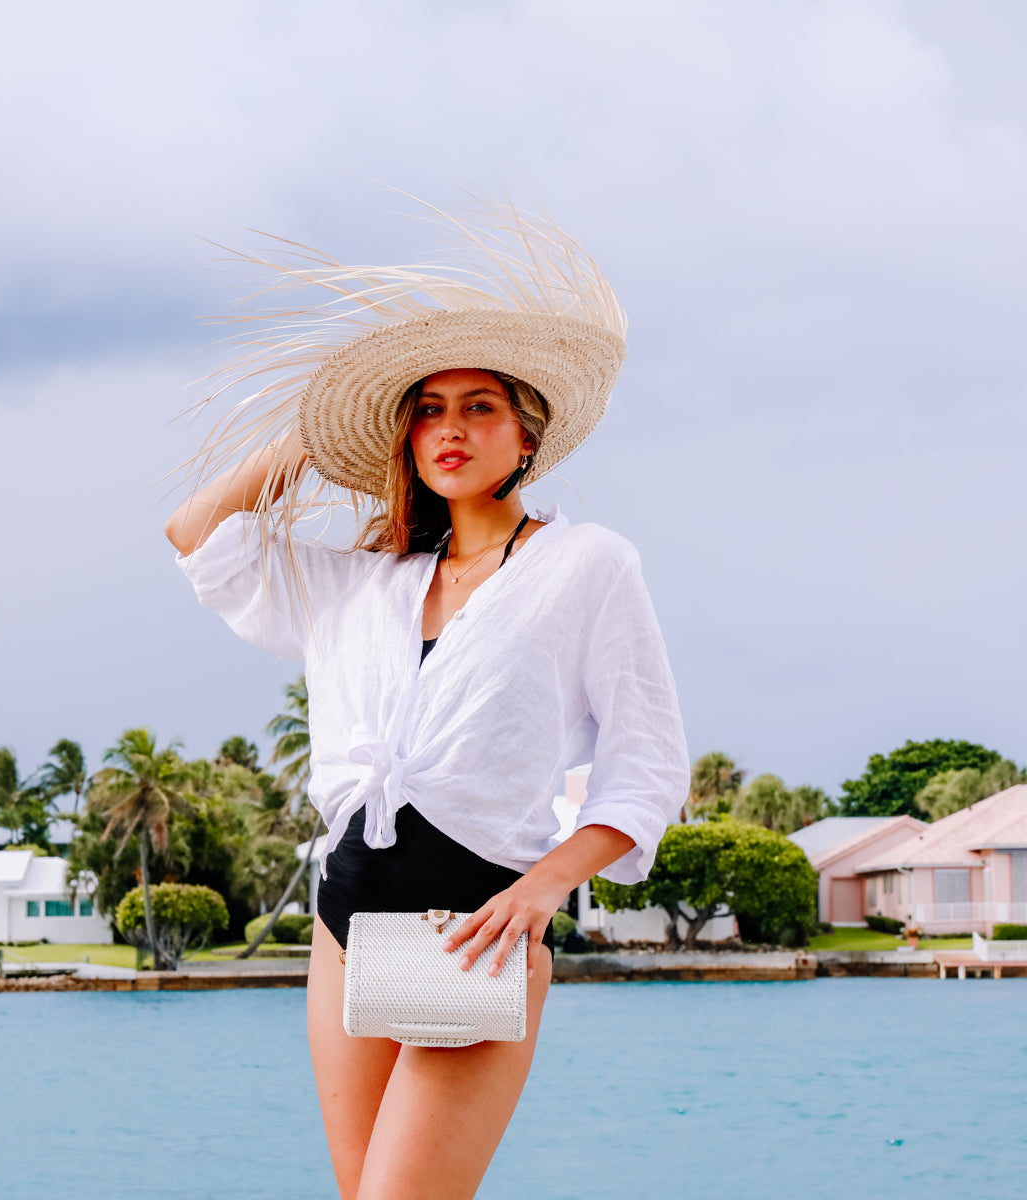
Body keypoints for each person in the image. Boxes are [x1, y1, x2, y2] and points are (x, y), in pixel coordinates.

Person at [165, 195, 688, 1200]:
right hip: (342, 922)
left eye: (478, 406)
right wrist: (319, 439)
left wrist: (540, 893)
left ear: (526, 436)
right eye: (427, 410)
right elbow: (198, 533)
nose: (450, 427)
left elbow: (647, 763)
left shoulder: (586, 565)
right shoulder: (367, 583)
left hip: (481, 924)